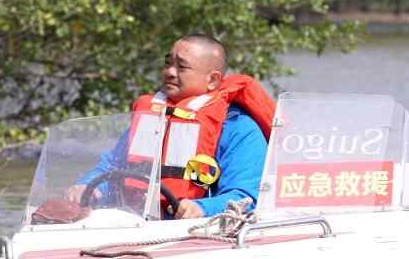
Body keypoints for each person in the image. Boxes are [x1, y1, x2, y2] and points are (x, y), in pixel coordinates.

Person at [66, 34, 274, 219]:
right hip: (136, 221)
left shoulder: (239, 128)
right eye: (167, 64)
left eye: (182, 67)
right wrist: (87, 186)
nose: (170, 72)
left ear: (212, 80)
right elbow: (111, 168)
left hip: (196, 230)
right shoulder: (150, 118)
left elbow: (245, 197)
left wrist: (202, 208)